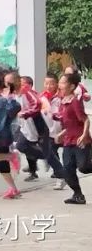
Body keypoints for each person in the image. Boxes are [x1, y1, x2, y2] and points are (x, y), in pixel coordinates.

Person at [54, 72, 90, 205]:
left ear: (71, 86)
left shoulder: (75, 102)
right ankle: (78, 195)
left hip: (80, 141)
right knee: (68, 170)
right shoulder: (62, 102)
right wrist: (61, 134)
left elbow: (86, 120)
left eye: (63, 82)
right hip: (68, 141)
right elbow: (69, 124)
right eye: (60, 82)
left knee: (84, 167)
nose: (60, 85)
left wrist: (84, 135)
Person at [40, 73, 68, 191]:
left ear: (57, 84)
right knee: (50, 153)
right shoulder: (42, 97)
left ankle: (64, 174)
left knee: (67, 157)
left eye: (52, 83)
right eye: (46, 83)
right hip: (50, 132)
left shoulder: (62, 97)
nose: (49, 86)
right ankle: (60, 176)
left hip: (64, 131)